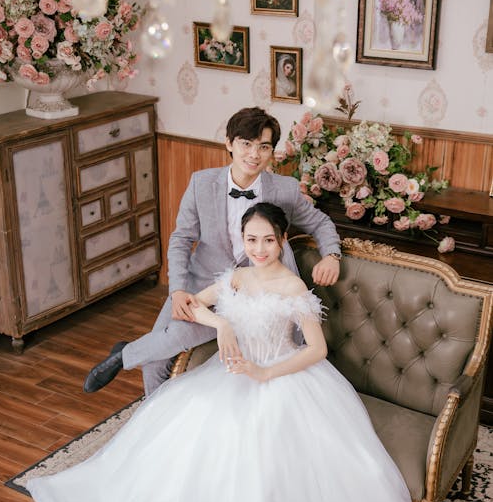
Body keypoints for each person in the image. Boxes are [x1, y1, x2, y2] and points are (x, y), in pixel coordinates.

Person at [28, 203, 458, 502]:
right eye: (251, 240)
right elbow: (189, 305)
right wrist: (222, 322)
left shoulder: (293, 286)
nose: (259, 249)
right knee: (185, 457)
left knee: (280, 480)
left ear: (283, 239)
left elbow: (317, 349)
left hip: (281, 381)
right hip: (228, 377)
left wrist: (265, 374)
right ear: (242, 240)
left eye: (268, 240)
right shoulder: (236, 277)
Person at [84, 106, 342, 397]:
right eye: (246, 144)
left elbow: (319, 222)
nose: (254, 155)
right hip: (199, 285)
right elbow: (181, 238)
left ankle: (123, 354)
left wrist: (332, 255)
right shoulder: (201, 184)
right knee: (154, 362)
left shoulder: (285, 190)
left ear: (272, 151)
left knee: (175, 337)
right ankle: (154, 417)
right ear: (229, 143)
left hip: (251, 296)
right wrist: (178, 289)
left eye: (264, 147)